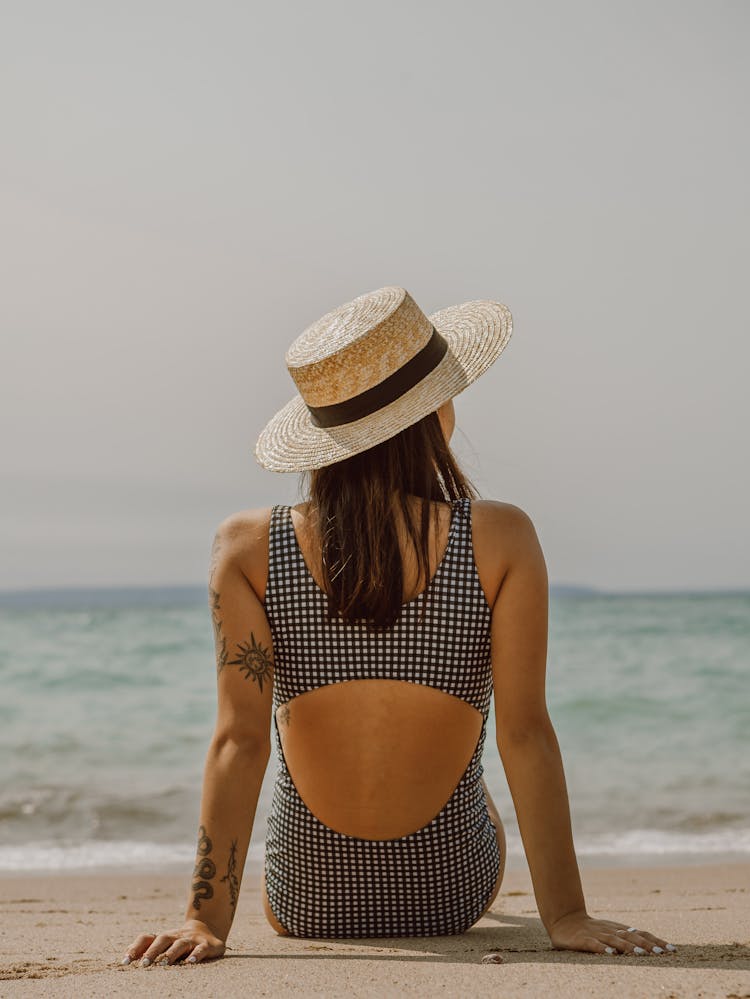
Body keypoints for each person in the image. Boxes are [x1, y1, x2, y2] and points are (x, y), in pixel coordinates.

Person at [120, 286, 676, 965]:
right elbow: (525, 732)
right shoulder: (501, 536)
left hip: (306, 898)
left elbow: (239, 741)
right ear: (430, 413)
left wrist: (203, 919)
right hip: (451, 890)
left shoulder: (245, 546)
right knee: (482, 794)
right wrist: (566, 915)